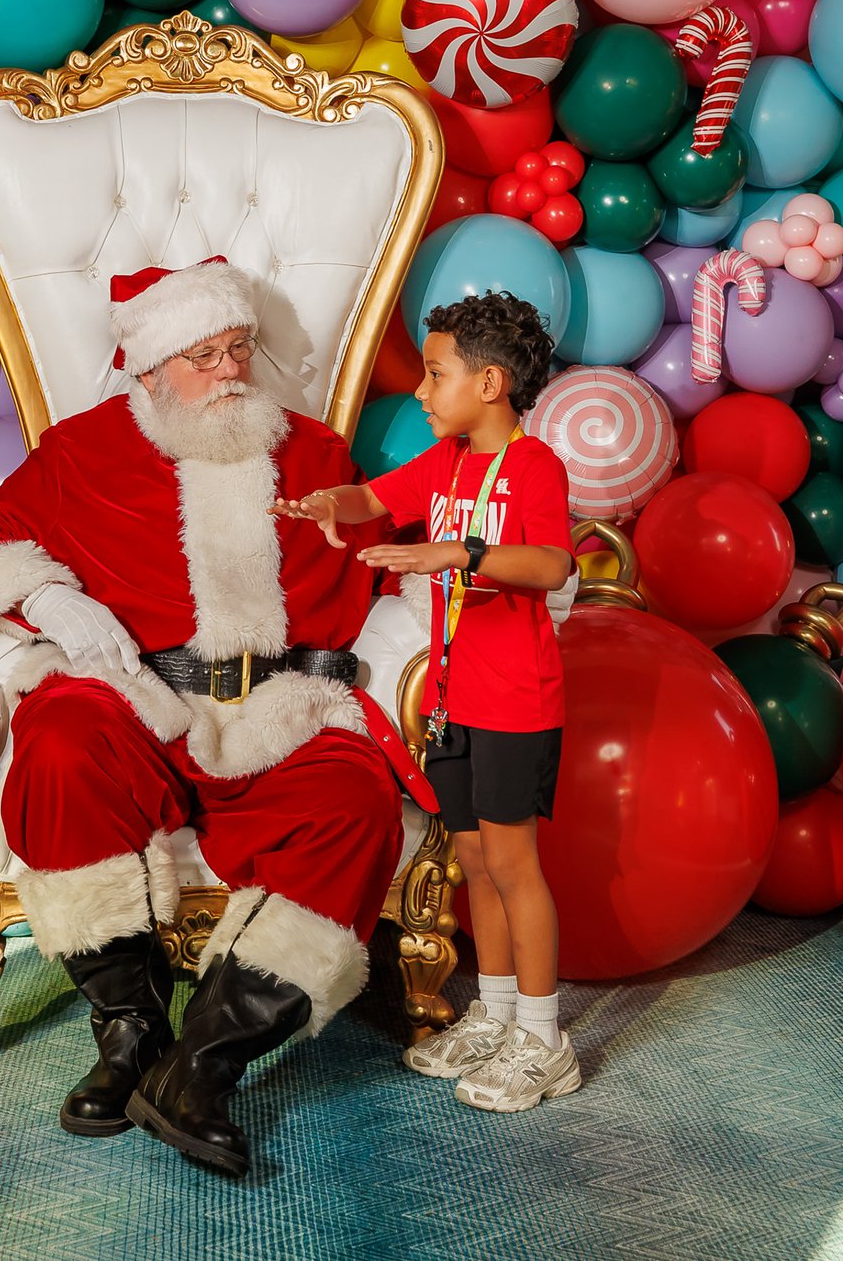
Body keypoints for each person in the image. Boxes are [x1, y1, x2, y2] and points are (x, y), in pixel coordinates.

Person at [0, 259, 433, 1179]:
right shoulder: (81, 454)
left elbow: (392, 553)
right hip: (135, 700)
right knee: (60, 742)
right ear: (147, 372)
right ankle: (129, 1034)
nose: (228, 372)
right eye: (202, 357)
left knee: (355, 800)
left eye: (236, 350)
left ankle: (198, 1069)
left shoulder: (312, 454)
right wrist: (45, 599)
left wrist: (510, 562)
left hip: (279, 709)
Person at [275, 292, 577, 1112]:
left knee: (514, 864)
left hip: (517, 699)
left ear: (488, 383)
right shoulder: (443, 465)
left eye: (434, 374)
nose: (419, 390)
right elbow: (373, 499)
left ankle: (545, 1040)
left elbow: (551, 566)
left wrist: (460, 551)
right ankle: (498, 1014)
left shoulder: (534, 467)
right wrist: (327, 505)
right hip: (450, 694)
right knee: (473, 859)